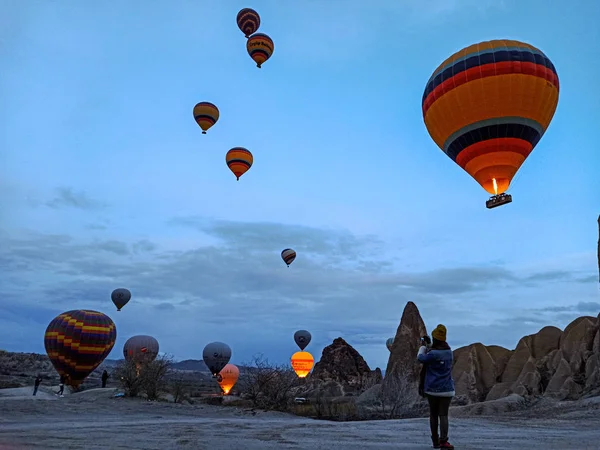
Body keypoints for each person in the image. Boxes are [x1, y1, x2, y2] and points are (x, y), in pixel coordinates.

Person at [417, 324, 455, 449]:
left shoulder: (433, 354)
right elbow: (435, 354)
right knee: (443, 415)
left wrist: (423, 346)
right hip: (447, 390)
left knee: (433, 415)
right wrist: (429, 346)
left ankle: (435, 441)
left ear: (435, 339)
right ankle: (444, 441)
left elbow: (421, 358)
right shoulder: (449, 353)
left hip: (432, 390)